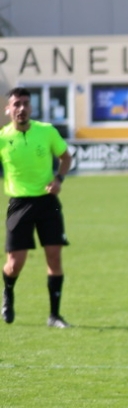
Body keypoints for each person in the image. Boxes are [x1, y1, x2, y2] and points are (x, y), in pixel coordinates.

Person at [1, 86, 74, 328]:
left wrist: (59, 179)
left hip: (47, 202)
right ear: (8, 109)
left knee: (54, 257)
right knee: (15, 263)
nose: (21, 108)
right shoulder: (2, 138)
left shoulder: (46, 132)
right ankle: (8, 294)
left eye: (25, 104)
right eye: (16, 104)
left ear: (31, 107)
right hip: (19, 204)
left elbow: (66, 157)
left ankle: (54, 315)